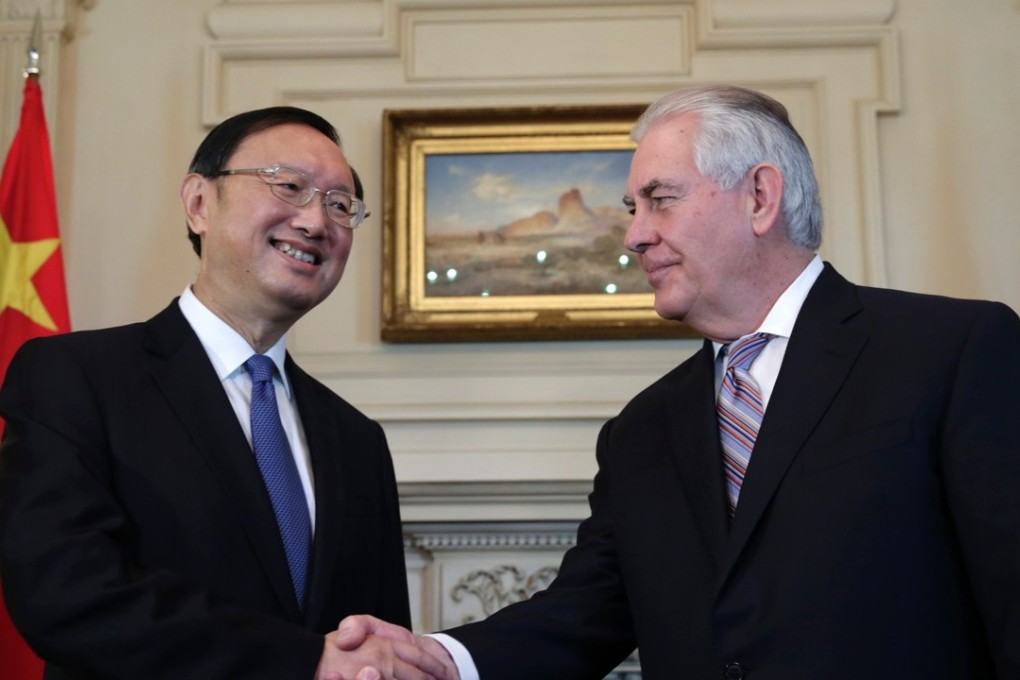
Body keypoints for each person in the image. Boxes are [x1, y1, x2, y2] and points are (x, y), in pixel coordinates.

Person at [334, 84, 1020, 679]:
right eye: (632, 208)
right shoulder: (640, 430)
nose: (633, 237)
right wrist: (443, 660)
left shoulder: (949, 352)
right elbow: (588, 611)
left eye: (658, 200)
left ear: (758, 196)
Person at [0, 107, 445, 679]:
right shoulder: (74, 377)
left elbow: (374, 643)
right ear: (198, 203)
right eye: (289, 187)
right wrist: (302, 661)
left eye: (340, 205)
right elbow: (64, 593)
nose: (316, 222)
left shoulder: (356, 438)